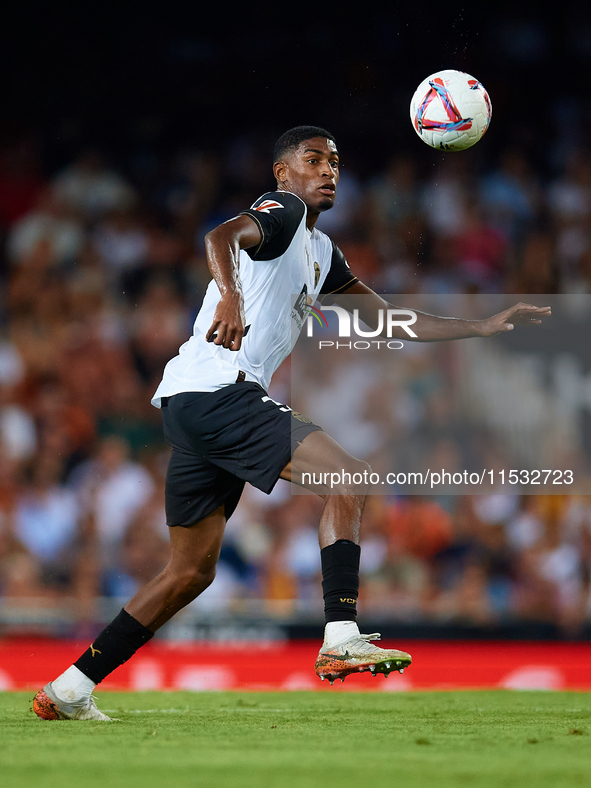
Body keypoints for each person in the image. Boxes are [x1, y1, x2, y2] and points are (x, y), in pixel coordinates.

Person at [33, 126, 550, 720]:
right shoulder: (280, 210)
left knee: (190, 571)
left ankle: (71, 686)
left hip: (195, 400)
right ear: (283, 173)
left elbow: (387, 321)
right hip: (219, 391)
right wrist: (229, 295)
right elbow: (221, 235)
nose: (328, 170)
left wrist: (480, 327)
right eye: (313, 159)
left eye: (334, 161)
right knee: (350, 477)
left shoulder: (320, 251)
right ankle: (339, 636)